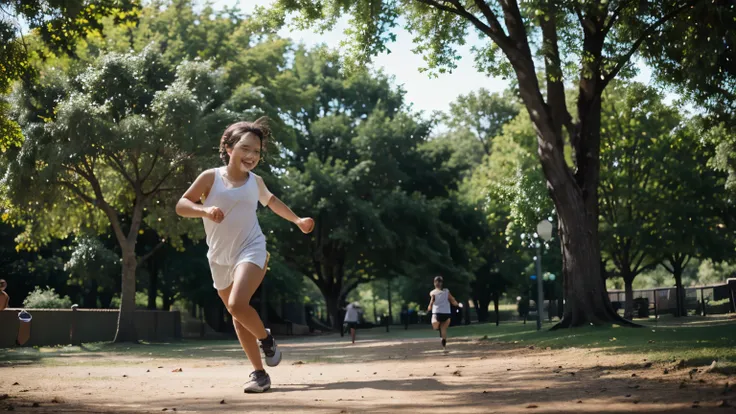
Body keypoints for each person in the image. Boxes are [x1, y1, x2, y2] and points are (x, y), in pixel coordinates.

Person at [176, 118, 314, 393]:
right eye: (245, 148)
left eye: (257, 152)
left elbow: (272, 201)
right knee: (237, 316)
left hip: (251, 248)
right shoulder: (210, 177)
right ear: (228, 148)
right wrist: (204, 210)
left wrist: (297, 220)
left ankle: (265, 340)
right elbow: (182, 205)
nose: (252, 156)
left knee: (238, 304)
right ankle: (260, 374)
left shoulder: (256, 182)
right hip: (219, 257)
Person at [427, 276, 458, 351]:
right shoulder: (447, 291)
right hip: (446, 313)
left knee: (435, 324)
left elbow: (431, 303)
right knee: (443, 329)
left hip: (437, 313)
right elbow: (453, 300)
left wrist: (429, 308)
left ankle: (437, 326)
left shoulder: (432, 292)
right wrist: (456, 304)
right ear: (442, 283)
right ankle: (444, 348)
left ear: (434, 283)